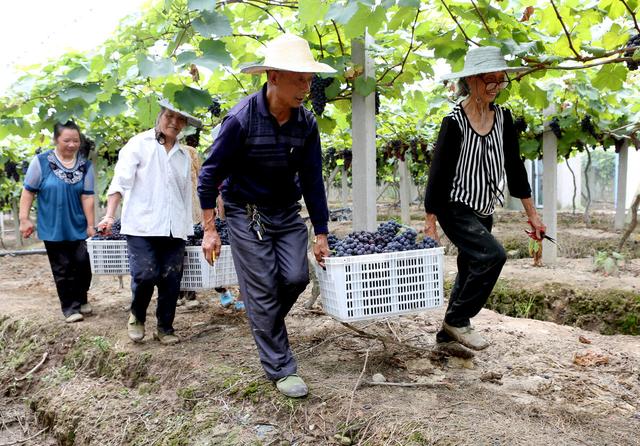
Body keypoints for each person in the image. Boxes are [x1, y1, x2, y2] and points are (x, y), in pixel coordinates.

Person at [198, 34, 333, 398]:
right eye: (298, 78)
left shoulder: (306, 123)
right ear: (273, 77)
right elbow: (209, 174)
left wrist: (321, 233)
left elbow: (312, 179)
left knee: (294, 277)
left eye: (309, 79)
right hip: (246, 213)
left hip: (287, 212)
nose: (306, 87)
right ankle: (281, 368)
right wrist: (210, 229)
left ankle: (263, 318)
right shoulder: (241, 120)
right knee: (260, 288)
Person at [424, 46, 546, 351]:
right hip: (454, 206)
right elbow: (437, 175)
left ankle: (446, 336)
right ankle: (459, 319)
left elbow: (515, 168)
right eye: (489, 81)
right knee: (493, 255)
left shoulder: (503, 119)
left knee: (469, 268)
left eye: (500, 81)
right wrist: (430, 222)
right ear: (472, 80)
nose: (495, 87)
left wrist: (533, 214)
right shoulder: (454, 122)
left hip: (484, 207)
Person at [97, 99, 201, 345]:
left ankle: (165, 327)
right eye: (169, 116)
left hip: (174, 226)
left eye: (180, 119)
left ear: (185, 125)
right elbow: (120, 182)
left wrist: (189, 225)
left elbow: (184, 193)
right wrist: (110, 215)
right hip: (141, 225)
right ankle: (137, 315)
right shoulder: (138, 144)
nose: (174, 123)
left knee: (171, 278)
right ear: (160, 115)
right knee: (145, 274)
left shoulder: (183, 156)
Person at [19, 120, 95, 323]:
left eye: (76, 140)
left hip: (77, 224)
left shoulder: (85, 166)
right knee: (62, 268)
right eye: (67, 140)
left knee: (83, 263)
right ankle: (70, 308)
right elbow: (28, 192)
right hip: (52, 225)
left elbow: (87, 196)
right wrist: (24, 219)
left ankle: (81, 297)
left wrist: (90, 224)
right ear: (56, 140)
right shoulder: (41, 162)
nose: (72, 145)